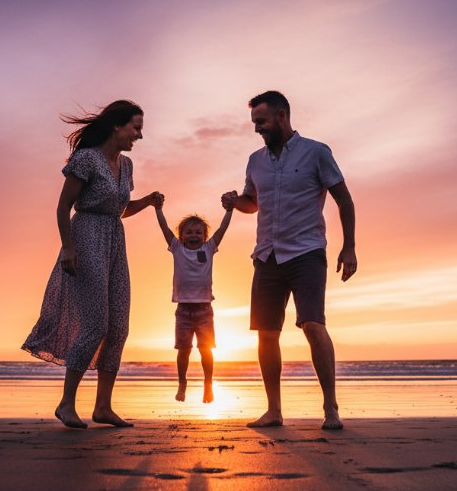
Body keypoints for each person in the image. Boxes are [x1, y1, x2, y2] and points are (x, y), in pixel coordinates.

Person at [22, 100, 161, 429]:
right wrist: (68, 247)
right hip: (85, 239)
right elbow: (63, 207)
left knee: (119, 327)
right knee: (96, 323)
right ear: (117, 125)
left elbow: (120, 209)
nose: (139, 136)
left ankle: (103, 407)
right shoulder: (86, 159)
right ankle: (67, 403)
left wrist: (148, 201)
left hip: (115, 241)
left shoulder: (126, 166)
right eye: (135, 128)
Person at [223, 90, 357, 430]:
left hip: (307, 251)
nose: (257, 129)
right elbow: (252, 203)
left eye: (262, 122)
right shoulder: (256, 160)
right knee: (266, 333)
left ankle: (330, 407)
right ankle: (274, 411)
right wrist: (234, 202)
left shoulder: (316, 152)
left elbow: (344, 199)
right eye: (255, 123)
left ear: (282, 116)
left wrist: (349, 247)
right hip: (267, 254)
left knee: (312, 324)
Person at [152, 195, 234, 403]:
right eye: (189, 232)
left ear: (205, 236)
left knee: (206, 350)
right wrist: (158, 208)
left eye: (199, 232)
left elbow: (222, 230)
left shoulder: (208, 249)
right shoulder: (177, 248)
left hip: (205, 310)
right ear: (181, 236)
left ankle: (208, 384)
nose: (194, 235)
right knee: (183, 350)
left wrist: (229, 210)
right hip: (183, 311)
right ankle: (182, 382)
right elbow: (164, 228)